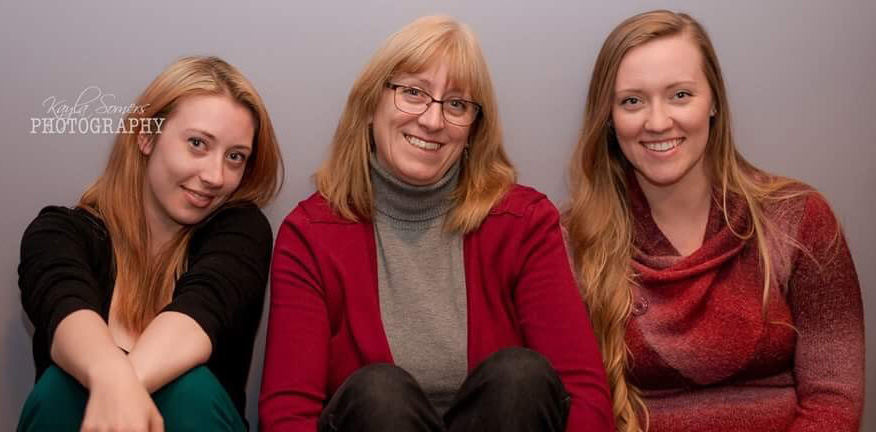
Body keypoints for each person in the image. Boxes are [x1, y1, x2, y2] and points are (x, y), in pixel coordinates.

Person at [260, 15, 613, 432]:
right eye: (412, 92)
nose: (432, 120)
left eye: (457, 104)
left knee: (519, 378)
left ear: (473, 130)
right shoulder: (309, 235)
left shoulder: (524, 223)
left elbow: (585, 395)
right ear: (370, 105)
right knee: (380, 394)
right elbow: (287, 415)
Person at [564, 10, 864, 432]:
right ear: (609, 120)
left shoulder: (799, 219)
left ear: (714, 102)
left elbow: (833, 399)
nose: (657, 121)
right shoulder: (571, 241)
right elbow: (576, 407)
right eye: (632, 100)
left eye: (680, 95)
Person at [17, 56, 284, 431]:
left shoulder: (241, 231)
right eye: (197, 144)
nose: (215, 175)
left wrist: (115, 389)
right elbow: (65, 312)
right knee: (63, 388)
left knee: (189, 389)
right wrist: (107, 377)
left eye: (235, 157)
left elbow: (202, 310)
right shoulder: (59, 234)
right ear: (145, 135)